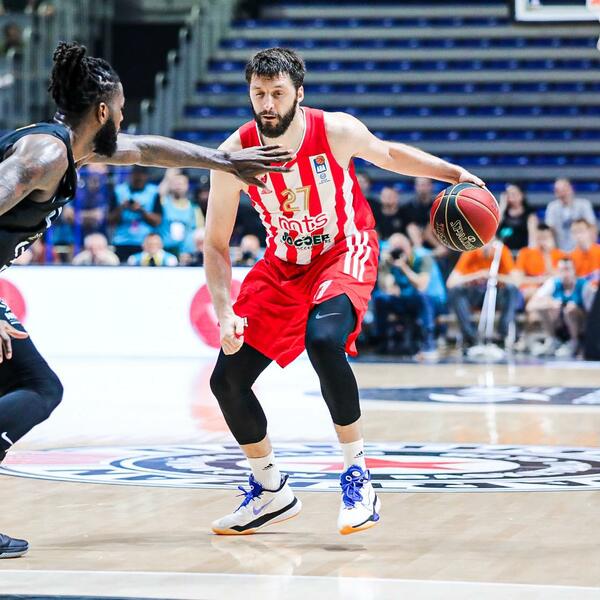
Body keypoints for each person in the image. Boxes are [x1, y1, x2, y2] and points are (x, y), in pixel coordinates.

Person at [0, 41, 293, 557]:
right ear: (102, 112)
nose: (125, 118)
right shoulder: (44, 155)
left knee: (37, 388)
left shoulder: (73, 148)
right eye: (121, 108)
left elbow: (149, 150)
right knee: (37, 388)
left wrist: (225, 161)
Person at [204, 47, 484, 536]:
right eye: (258, 93)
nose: (267, 104)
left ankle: (358, 475)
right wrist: (225, 310)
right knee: (226, 381)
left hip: (342, 249)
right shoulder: (234, 155)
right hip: (283, 265)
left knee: (323, 340)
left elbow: (390, 154)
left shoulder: (335, 130)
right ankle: (270, 489)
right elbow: (215, 243)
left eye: (277, 93)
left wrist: (453, 174)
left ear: (298, 93)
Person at [373, 233, 446, 359]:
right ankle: (382, 341)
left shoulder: (422, 257)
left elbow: (421, 285)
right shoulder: (389, 260)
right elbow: (384, 286)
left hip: (430, 301)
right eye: (395, 249)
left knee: (422, 297)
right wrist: (386, 272)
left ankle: (428, 344)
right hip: (404, 300)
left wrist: (403, 267)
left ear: (408, 246)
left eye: (401, 248)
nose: (398, 252)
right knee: (380, 297)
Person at [446, 240, 519, 348]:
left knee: (511, 289)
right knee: (456, 291)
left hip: (496, 295)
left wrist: (494, 276)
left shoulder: (500, 250)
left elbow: (517, 281)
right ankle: (471, 337)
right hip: (475, 295)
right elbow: (450, 282)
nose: (486, 247)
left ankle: (502, 335)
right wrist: (477, 275)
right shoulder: (471, 250)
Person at [527, 257, 586, 358]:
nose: (565, 273)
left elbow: (593, 313)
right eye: (562, 270)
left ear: (574, 270)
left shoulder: (583, 285)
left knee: (570, 310)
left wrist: (577, 309)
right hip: (558, 325)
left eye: (567, 269)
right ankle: (552, 341)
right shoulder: (553, 283)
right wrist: (550, 303)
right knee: (544, 306)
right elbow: (530, 306)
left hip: (580, 328)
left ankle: (575, 343)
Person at [107, 166, 162, 262]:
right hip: (122, 242)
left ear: (146, 176)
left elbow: (157, 221)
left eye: (141, 176)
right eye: (136, 175)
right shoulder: (119, 191)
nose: (138, 179)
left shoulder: (153, 192)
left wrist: (141, 210)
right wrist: (122, 207)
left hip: (145, 244)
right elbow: (110, 220)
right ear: (130, 175)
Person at [514, 223, 564, 301]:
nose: (542, 242)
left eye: (545, 238)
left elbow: (561, 277)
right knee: (529, 293)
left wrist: (547, 254)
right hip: (531, 289)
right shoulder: (525, 252)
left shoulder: (559, 254)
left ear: (552, 238)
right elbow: (519, 280)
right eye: (539, 238)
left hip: (552, 289)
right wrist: (540, 280)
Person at [545, 178, 596, 251]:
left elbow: (592, 227)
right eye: (558, 191)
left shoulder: (584, 205)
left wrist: (590, 249)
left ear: (571, 189)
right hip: (559, 250)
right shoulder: (552, 207)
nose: (562, 194)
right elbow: (549, 231)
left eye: (564, 190)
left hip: (582, 250)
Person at [159, 173, 203, 257]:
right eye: (175, 183)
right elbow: (159, 193)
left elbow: (200, 230)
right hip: (164, 252)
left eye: (181, 183)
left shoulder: (194, 208)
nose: (178, 186)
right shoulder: (163, 202)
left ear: (187, 186)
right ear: (170, 185)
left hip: (187, 253)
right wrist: (169, 173)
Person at [498, 183, 537, 252]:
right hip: (503, 253)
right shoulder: (503, 212)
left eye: (514, 194)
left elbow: (533, 239)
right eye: (508, 194)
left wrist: (529, 253)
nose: (511, 197)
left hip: (522, 253)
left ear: (521, 195)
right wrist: (502, 208)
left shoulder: (529, 214)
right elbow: (494, 229)